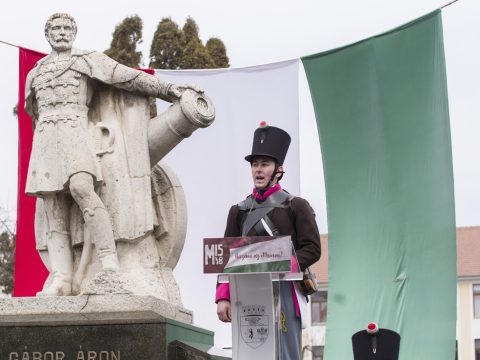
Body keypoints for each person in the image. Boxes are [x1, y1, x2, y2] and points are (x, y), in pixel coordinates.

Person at [24, 13, 194, 296]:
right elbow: (34, 115)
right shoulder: (36, 73)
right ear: (47, 34)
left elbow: (126, 77)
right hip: (45, 139)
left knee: (82, 188)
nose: (62, 32)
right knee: (53, 207)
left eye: (67, 27)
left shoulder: (86, 60)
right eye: (56, 28)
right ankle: (62, 277)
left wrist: (168, 89)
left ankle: (108, 260)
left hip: (76, 131)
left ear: (74, 32)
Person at [216, 122, 321, 359]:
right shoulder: (238, 210)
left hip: (285, 290)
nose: (258, 170)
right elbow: (226, 258)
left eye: (265, 164)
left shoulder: (296, 205)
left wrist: (281, 264)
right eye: (255, 164)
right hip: (246, 291)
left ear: (278, 169)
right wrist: (223, 297)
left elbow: (312, 249)